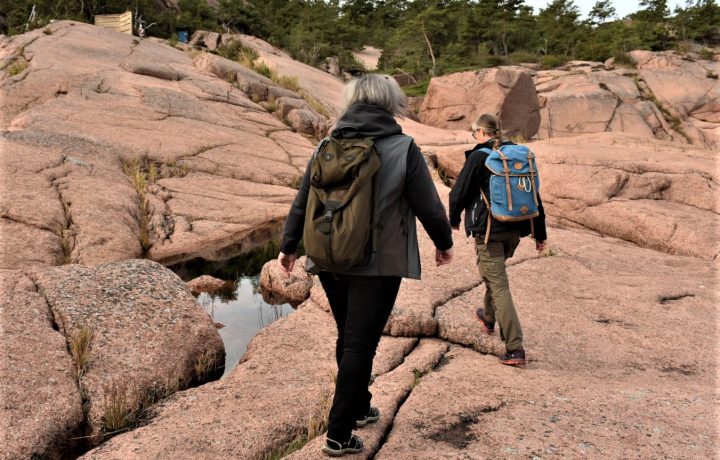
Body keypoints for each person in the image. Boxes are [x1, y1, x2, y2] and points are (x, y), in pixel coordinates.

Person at [277, 74, 454, 456]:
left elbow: (304, 198)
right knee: (360, 343)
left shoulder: (329, 143)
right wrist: (444, 243)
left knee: (348, 337)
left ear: (351, 102)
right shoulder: (403, 147)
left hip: (327, 257)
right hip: (377, 265)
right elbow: (429, 206)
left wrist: (289, 246)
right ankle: (339, 433)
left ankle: (358, 407)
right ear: (390, 104)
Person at [448, 114, 547, 367]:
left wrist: (454, 220)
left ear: (481, 132)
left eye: (474, 133)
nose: (475, 137)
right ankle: (488, 317)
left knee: (499, 285)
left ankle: (515, 348)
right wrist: (540, 233)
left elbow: (458, 192)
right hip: (515, 229)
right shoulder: (515, 154)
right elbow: (533, 194)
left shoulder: (479, 157)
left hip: (489, 230)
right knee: (495, 276)